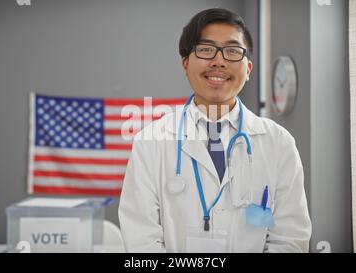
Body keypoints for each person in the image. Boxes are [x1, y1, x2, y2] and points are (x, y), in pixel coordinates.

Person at [118, 8, 311, 252]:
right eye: (206, 49)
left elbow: (290, 239)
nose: (219, 61)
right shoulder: (150, 142)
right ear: (185, 64)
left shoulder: (279, 143)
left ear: (248, 69)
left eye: (232, 51)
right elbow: (141, 241)